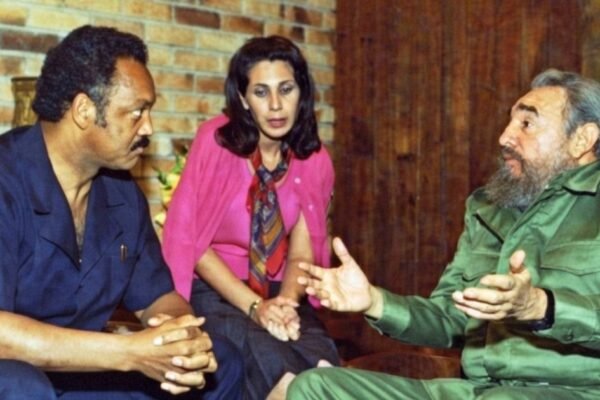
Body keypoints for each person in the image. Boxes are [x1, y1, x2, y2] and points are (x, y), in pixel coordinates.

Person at [288, 69, 600, 400]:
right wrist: (374, 301)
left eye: (526, 124)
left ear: (582, 139)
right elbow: (449, 317)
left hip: (575, 392)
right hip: (476, 391)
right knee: (315, 387)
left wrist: (540, 306)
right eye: (510, 122)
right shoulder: (488, 208)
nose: (505, 137)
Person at [0, 25, 243, 399]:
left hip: (81, 376)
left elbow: (158, 297)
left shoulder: (123, 193)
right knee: (23, 386)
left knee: (221, 361)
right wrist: (130, 353)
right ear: (84, 110)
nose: (148, 128)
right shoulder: (6, 178)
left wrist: (181, 340)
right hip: (16, 375)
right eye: (137, 112)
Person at [162, 35, 340, 400]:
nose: (276, 105)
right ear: (243, 99)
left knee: (324, 367)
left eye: (286, 89)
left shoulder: (314, 158)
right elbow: (193, 243)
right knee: (280, 369)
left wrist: (285, 305)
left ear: (302, 92)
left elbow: (302, 252)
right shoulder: (216, 142)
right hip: (215, 289)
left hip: (280, 290)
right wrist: (257, 308)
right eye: (261, 92)